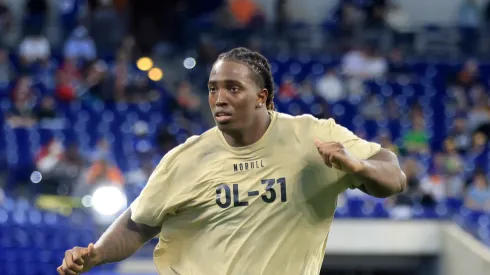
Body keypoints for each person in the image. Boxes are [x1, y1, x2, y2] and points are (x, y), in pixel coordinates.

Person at [57, 48, 406, 275]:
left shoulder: (311, 136)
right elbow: (139, 224)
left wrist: (359, 168)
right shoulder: (187, 159)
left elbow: (393, 173)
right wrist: (96, 254)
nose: (219, 98)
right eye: (212, 88)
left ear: (262, 97)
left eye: (233, 88)